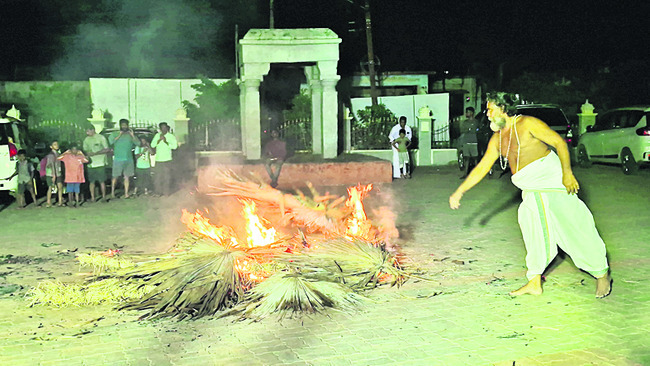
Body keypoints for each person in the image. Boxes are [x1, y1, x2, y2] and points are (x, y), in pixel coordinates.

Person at [449, 92, 611, 298]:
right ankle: (534, 282)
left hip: (552, 181)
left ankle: (602, 274)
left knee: (574, 227)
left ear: (503, 109)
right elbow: (482, 167)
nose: (487, 114)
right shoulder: (497, 139)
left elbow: (559, 143)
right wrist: (459, 191)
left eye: (490, 109)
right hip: (531, 189)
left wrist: (567, 173)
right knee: (532, 228)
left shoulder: (527, 124)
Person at [109, 119, 140, 199]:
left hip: (128, 159)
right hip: (118, 159)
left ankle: (126, 193)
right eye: (123, 125)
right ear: (120, 125)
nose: (124, 126)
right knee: (115, 177)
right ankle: (112, 193)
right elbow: (111, 142)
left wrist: (133, 135)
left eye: (125, 125)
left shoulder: (130, 135)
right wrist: (119, 135)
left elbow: (138, 143)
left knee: (127, 176)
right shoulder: (114, 134)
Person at [83, 125, 110, 202]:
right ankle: (93, 198)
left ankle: (104, 197)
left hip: (100, 163)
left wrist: (96, 153)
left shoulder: (101, 138)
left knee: (102, 181)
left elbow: (107, 149)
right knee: (92, 182)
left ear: (93, 130)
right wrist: (88, 154)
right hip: (91, 164)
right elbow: (85, 150)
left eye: (88, 131)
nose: (87, 133)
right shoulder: (86, 140)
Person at [150, 122, 178, 196]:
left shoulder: (171, 136)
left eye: (165, 128)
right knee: (158, 177)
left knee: (167, 177)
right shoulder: (157, 136)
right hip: (158, 160)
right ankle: (158, 192)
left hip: (167, 160)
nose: (163, 129)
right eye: (162, 128)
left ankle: (166, 192)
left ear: (167, 128)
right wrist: (158, 140)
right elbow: (152, 145)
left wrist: (166, 142)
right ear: (160, 129)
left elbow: (174, 147)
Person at [457, 107, 479, 179]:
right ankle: (465, 174)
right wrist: (469, 130)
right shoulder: (465, 122)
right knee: (466, 159)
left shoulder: (476, 122)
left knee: (475, 158)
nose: (466, 114)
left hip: (474, 142)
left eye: (468, 112)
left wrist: (470, 130)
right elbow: (462, 130)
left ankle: (477, 174)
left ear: (472, 113)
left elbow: (476, 130)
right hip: (466, 142)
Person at [45, 141, 64, 207]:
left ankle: (60, 201)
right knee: (50, 187)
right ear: (51, 146)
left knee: (60, 187)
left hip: (58, 173)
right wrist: (53, 175)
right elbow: (51, 165)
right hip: (51, 173)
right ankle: (48, 202)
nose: (57, 146)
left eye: (57, 144)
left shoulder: (58, 154)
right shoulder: (51, 155)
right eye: (54, 145)